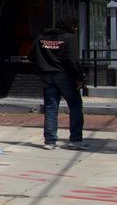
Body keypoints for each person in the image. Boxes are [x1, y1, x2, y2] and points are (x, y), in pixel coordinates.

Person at [32, 15, 85, 149]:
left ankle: (50, 141)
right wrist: (80, 77)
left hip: (47, 75)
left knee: (50, 108)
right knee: (75, 106)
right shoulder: (69, 38)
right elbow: (72, 61)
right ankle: (75, 140)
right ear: (69, 26)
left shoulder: (41, 38)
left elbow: (31, 56)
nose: (76, 28)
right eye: (75, 25)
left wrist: (43, 65)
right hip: (65, 76)